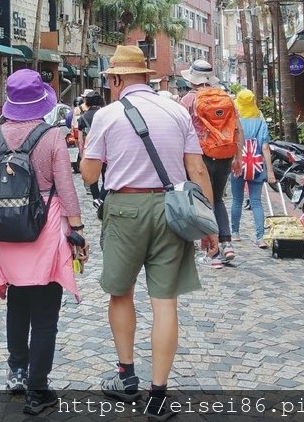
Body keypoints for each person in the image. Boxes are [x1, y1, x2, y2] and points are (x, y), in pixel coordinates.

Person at [80, 45, 215, 421]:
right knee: (165, 301)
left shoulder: (106, 116)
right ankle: (158, 394)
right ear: (147, 77)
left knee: (121, 293)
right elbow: (197, 170)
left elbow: (89, 175)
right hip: (171, 209)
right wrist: (210, 226)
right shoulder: (176, 110)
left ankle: (126, 377)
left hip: (125, 209)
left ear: (118, 79)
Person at [0, 69, 85, 416]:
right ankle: (39, 389)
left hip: (7, 229)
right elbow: (65, 187)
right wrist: (77, 229)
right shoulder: (53, 136)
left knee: (17, 303)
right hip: (46, 227)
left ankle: (17, 372)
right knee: (45, 313)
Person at [178, 59, 243, 268]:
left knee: (203, 202)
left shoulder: (187, 100)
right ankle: (226, 243)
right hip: (224, 155)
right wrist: (238, 157)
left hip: (199, 157)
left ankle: (211, 253)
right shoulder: (227, 98)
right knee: (218, 200)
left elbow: (179, 131)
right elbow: (237, 129)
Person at [229, 89, 276, 248]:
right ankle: (260, 237)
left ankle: (234, 233)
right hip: (256, 165)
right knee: (256, 201)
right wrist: (270, 171)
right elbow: (265, 147)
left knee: (237, 199)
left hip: (238, 163)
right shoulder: (260, 119)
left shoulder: (235, 119)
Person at [78, 90, 106, 209]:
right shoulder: (106, 114)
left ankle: (95, 197)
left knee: (92, 176)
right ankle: (103, 197)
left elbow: (80, 139)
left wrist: (81, 153)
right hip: (105, 149)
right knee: (107, 174)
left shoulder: (82, 117)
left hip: (89, 149)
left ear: (87, 102)